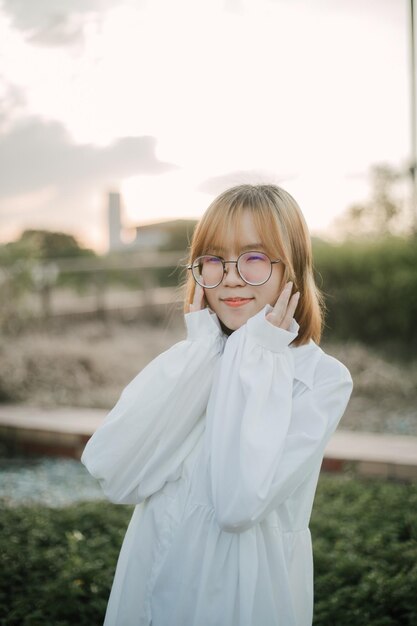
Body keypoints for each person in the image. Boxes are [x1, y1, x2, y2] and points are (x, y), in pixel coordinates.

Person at [81, 184, 353, 626]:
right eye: (214, 259)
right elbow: (116, 474)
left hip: (239, 593)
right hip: (151, 575)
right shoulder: (195, 359)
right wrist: (199, 355)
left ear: (292, 270)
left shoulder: (320, 380)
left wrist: (261, 353)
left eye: (254, 258)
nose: (230, 277)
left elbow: (236, 505)